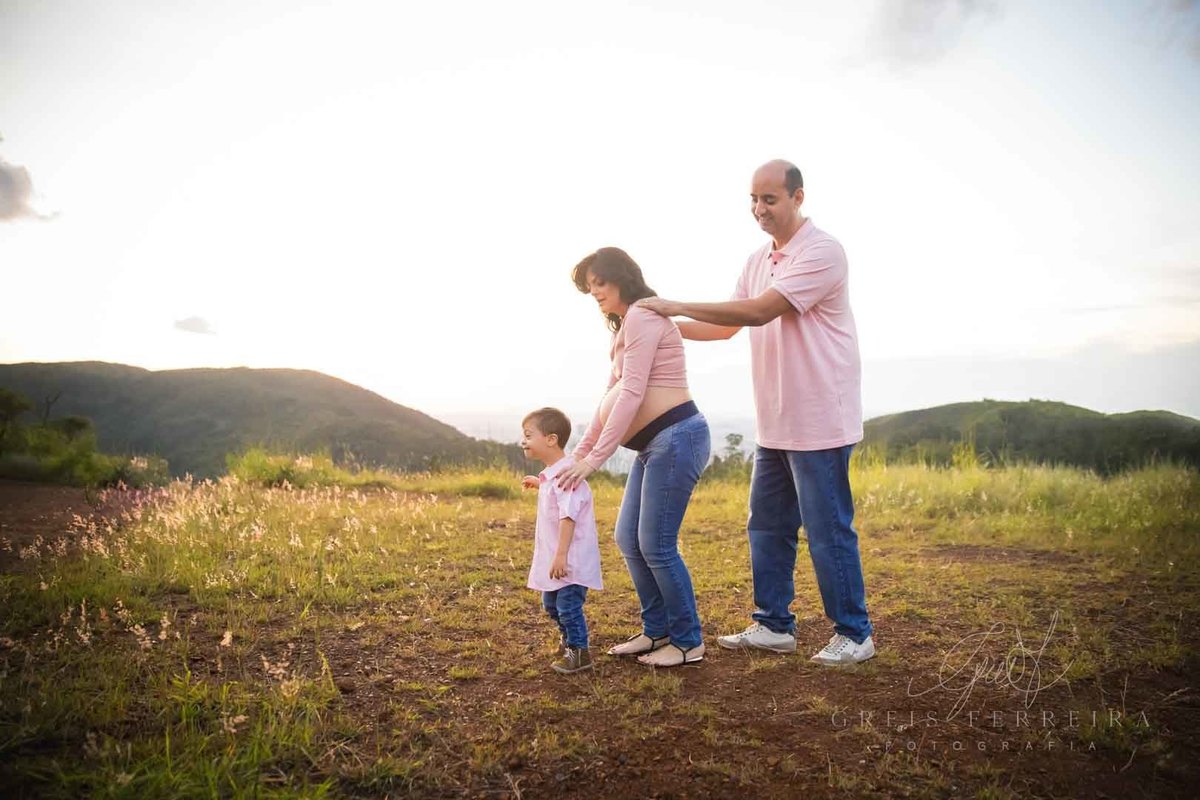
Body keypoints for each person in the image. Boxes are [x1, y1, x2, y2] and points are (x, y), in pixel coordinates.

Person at [638, 159, 875, 666]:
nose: (759, 209)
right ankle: (774, 626)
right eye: (753, 199)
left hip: (821, 420)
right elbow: (726, 327)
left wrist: (673, 304)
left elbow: (757, 312)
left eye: (770, 199)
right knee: (766, 526)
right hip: (776, 420)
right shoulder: (757, 259)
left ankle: (855, 634)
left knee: (828, 529)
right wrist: (653, 326)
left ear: (798, 197)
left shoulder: (823, 251)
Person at [555, 247, 711, 668]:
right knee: (629, 539)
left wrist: (596, 460)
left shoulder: (643, 316)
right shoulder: (625, 327)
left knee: (657, 545)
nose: (595, 293)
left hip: (677, 437)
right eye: (590, 288)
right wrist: (579, 455)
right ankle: (657, 631)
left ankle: (687, 641)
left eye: (599, 283)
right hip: (655, 444)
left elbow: (633, 393)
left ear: (621, 277)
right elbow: (608, 398)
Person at [519, 407, 603, 674]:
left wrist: (560, 555)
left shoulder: (568, 477)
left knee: (568, 606)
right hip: (559, 558)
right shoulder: (554, 476)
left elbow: (568, 517)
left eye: (529, 435)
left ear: (551, 439)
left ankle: (580, 652)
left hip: (570, 560)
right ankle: (569, 641)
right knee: (551, 605)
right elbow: (555, 495)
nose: (523, 441)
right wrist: (539, 483)